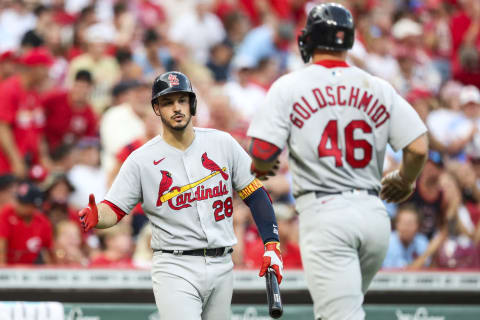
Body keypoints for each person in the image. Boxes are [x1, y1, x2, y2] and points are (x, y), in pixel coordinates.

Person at [247, 3, 429, 320]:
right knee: (343, 309)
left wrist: (263, 168)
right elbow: (417, 148)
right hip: (375, 217)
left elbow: (262, 152)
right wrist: (404, 179)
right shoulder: (378, 86)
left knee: (340, 315)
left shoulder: (290, 85)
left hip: (326, 214)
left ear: (309, 39)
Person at [78, 71, 283, 319]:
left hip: (222, 263)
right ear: (156, 108)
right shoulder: (142, 159)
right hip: (175, 266)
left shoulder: (222, 143)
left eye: (181, 100)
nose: (176, 108)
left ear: (192, 103)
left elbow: (256, 194)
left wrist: (271, 244)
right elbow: (115, 208)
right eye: (167, 102)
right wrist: (97, 215)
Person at [0, 181, 53, 265]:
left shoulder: (43, 222)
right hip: (8, 269)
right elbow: (1, 246)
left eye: (22, 203)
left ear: (34, 206)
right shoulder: (7, 213)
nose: (17, 205)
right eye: (18, 200)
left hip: (29, 271)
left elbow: (49, 252)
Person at [382, 204, 429, 269]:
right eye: (403, 223)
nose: (406, 228)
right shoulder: (388, 243)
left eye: (410, 223)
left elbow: (427, 268)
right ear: (396, 224)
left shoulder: (422, 242)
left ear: (418, 225)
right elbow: (402, 272)